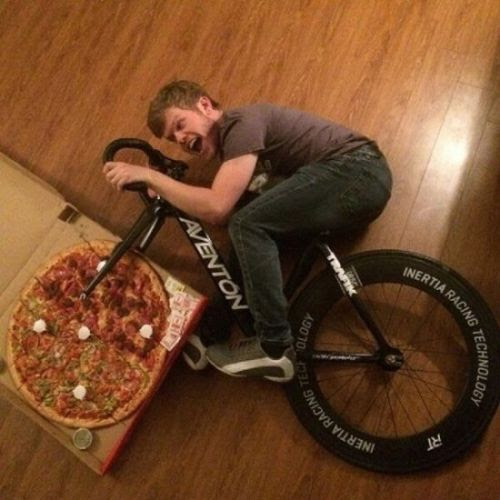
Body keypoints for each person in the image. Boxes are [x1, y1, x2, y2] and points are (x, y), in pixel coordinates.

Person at [103, 80, 392, 382]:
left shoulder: (240, 124)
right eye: (173, 138)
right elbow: (225, 213)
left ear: (204, 105)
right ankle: (210, 333)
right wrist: (168, 190)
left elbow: (217, 207)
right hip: (350, 191)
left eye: (180, 124)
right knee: (245, 234)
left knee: (245, 224)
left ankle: (274, 346)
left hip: (359, 171)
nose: (180, 139)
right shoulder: (235, 157)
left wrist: (151, 177)